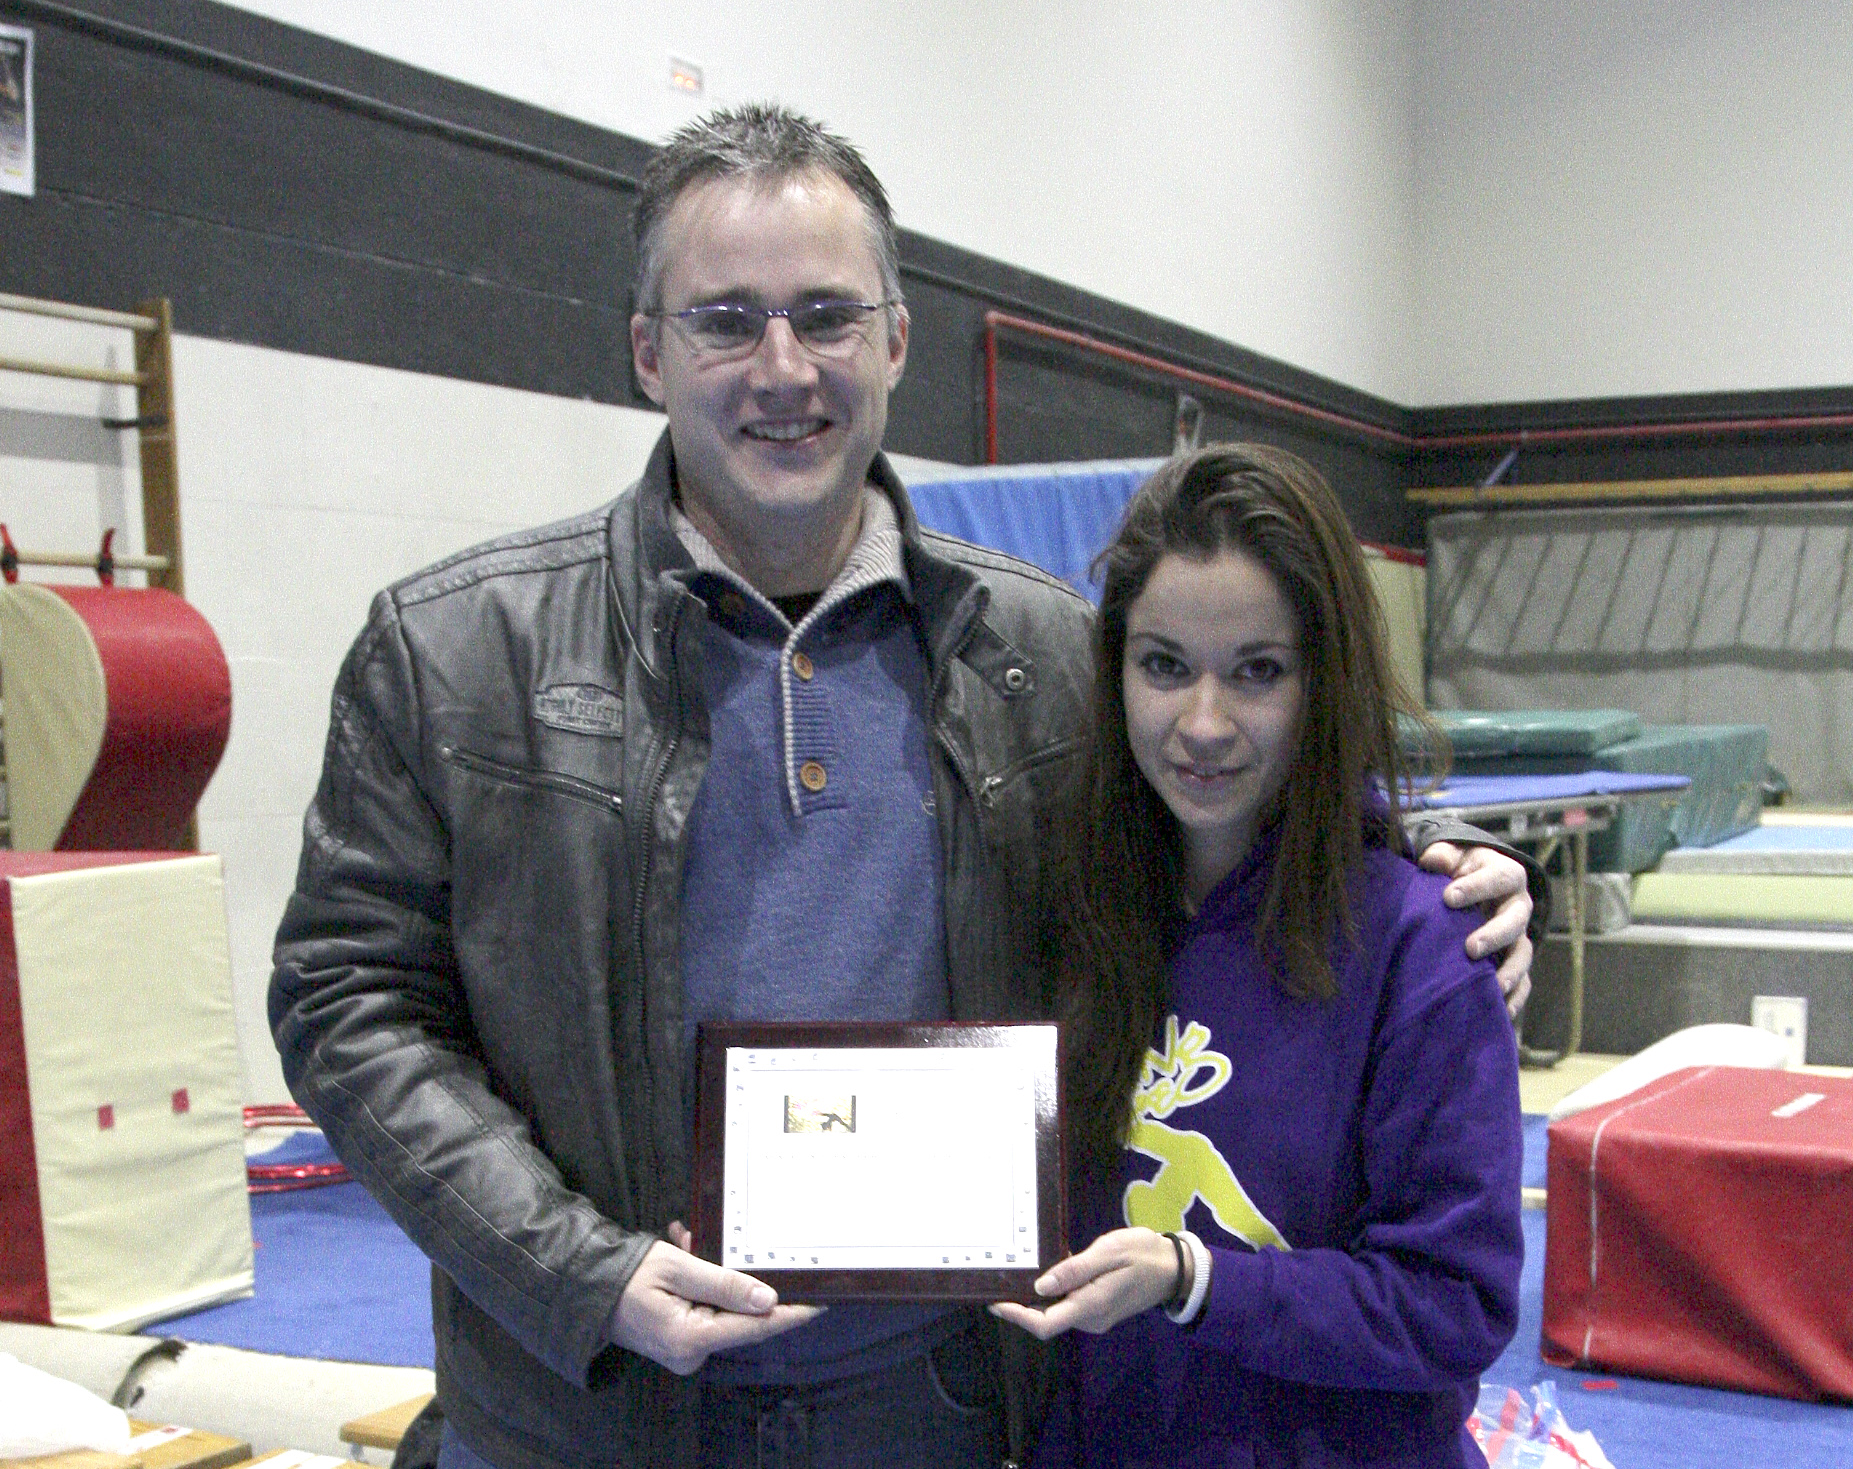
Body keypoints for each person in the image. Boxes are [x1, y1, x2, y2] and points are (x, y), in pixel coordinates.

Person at [270, 104, 1538, 1469]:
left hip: (933, 1413)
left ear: (895, 341)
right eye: (724, 320)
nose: (782, 368)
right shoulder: (458, 652)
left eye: (827, 315)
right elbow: (347, 999)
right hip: (584, 1413)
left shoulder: (1038, 650)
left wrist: (1441, 861)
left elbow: (1227, 781)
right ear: (647, 351)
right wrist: (579, 1269)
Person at [989, 443, 1524, 1467]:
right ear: (1115, 672)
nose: (1203, 723)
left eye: (1257, 671)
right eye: (1163, 665)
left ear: (1324, 680)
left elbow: (1455, 1301)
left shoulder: (1423, 942)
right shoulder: (1067, 908)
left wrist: (1197, 1278)